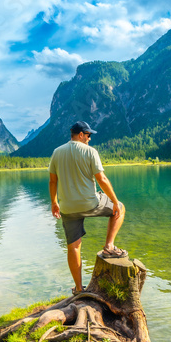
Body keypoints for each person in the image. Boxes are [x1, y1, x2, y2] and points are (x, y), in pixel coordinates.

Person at [49, 120, 127, 294]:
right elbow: (102, 179)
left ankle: (78, 289)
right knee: (120, 209)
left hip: (67, 208)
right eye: (88, 135)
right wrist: (114, 201)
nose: (90, 139)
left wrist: (54, 203)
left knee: (74, 247)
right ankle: (109, 247)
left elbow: (52, 181)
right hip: (90, 203)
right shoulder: (90, 152)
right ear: (81, 135)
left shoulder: (56, 152)